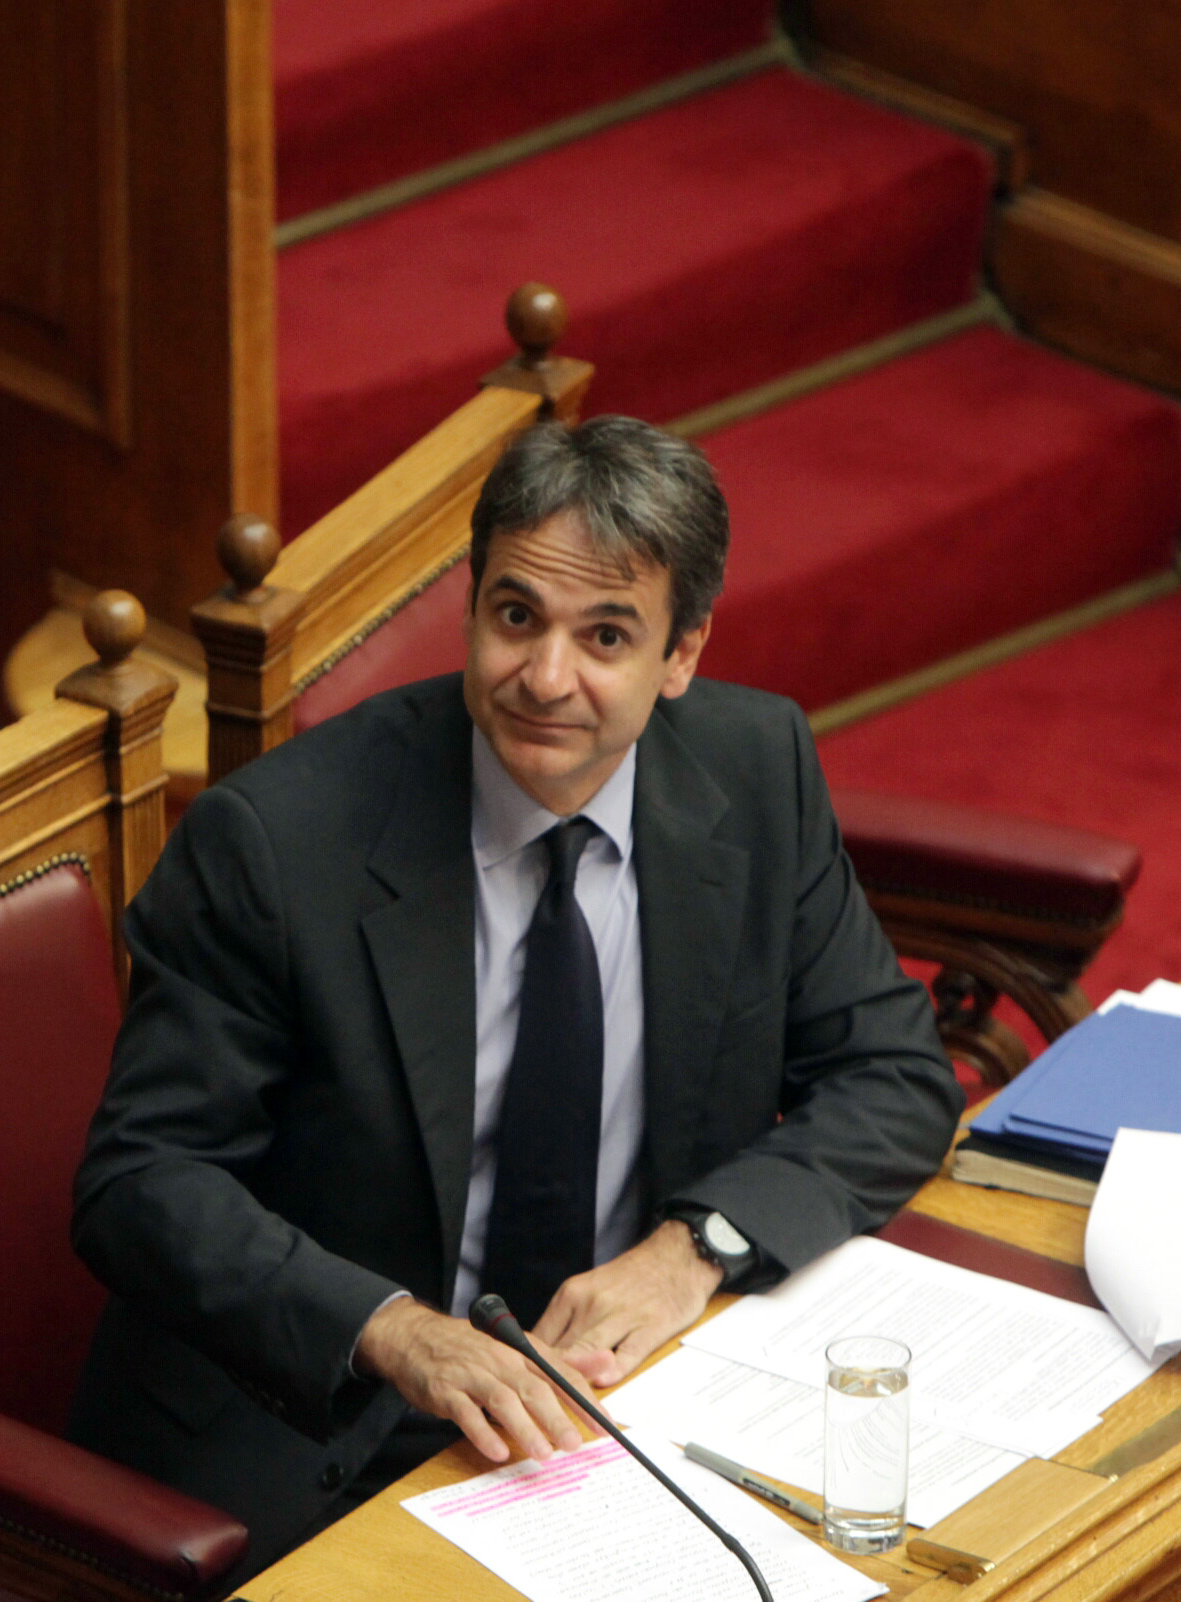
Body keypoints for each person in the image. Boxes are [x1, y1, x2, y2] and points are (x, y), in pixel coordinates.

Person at [68, 416, 962, 1572]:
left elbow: (893, 1074)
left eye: (606, 636)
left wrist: (693, 1249)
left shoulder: (756, 771)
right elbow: (141, 1181)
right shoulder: (277, 843)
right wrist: (394, 1331)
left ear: (681, 655)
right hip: (337, 1427)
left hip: (626, 1404)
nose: (546, 678)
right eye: (517, 616)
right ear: (472, 607)